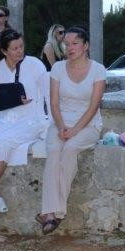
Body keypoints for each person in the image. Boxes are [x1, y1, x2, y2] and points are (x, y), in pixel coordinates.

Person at [0, 30, 49, 219]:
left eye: (21, 46)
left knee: (4, 142)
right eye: (15, 48)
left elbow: (48, 95)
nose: (20, 51)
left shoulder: (35, 65)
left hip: (30, 119)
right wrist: (13, 100)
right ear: (4, 51)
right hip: (3, 118)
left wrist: (50, 125)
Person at [38, 27, 106, 234]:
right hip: (60, 123)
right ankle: (52, 214)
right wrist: (61, 127)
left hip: (88, 124)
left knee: (70, 149)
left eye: (75, 43)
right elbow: (54, 103)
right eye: (66, 44)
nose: (70, 48)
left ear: (86, 46)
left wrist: (75, 130)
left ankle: (52, 212)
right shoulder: (57, 68)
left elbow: (93, 107)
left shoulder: (98, 70)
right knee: (54, 152)